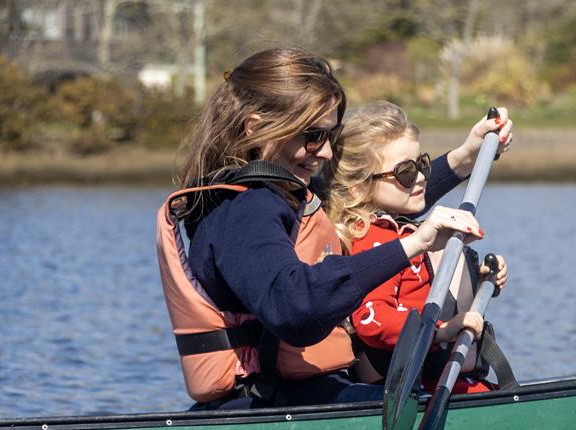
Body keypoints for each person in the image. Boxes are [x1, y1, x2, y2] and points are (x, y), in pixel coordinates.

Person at [156, 47, 495, 410]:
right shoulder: (243, 210)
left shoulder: (279, 194)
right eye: (313, 136)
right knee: (424, 403)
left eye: (330, 137)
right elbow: (293, 306)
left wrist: (463, 159)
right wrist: (414, 245)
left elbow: (366, 192)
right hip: (269, 403)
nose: (327, 153)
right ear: (255, 127)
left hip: (311, 391)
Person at [325, 101, 511, 393]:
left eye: (422, 164)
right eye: (406, 173)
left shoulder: (407, 230)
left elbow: (422, 282)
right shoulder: (372, 243)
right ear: (359, 187)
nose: (422, 177)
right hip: (411, 387)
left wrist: (483, 277)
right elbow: (373, 322)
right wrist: (441, 331)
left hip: (448, 379)